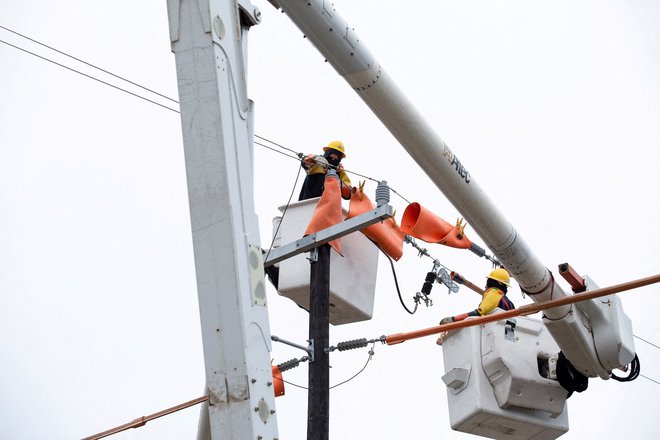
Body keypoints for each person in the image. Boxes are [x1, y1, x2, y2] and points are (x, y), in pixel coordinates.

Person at [439, 268, 515, 325]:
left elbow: (478, 313)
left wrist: (454, 319)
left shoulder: (494, 293)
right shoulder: (509, 303)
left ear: (491, 282)